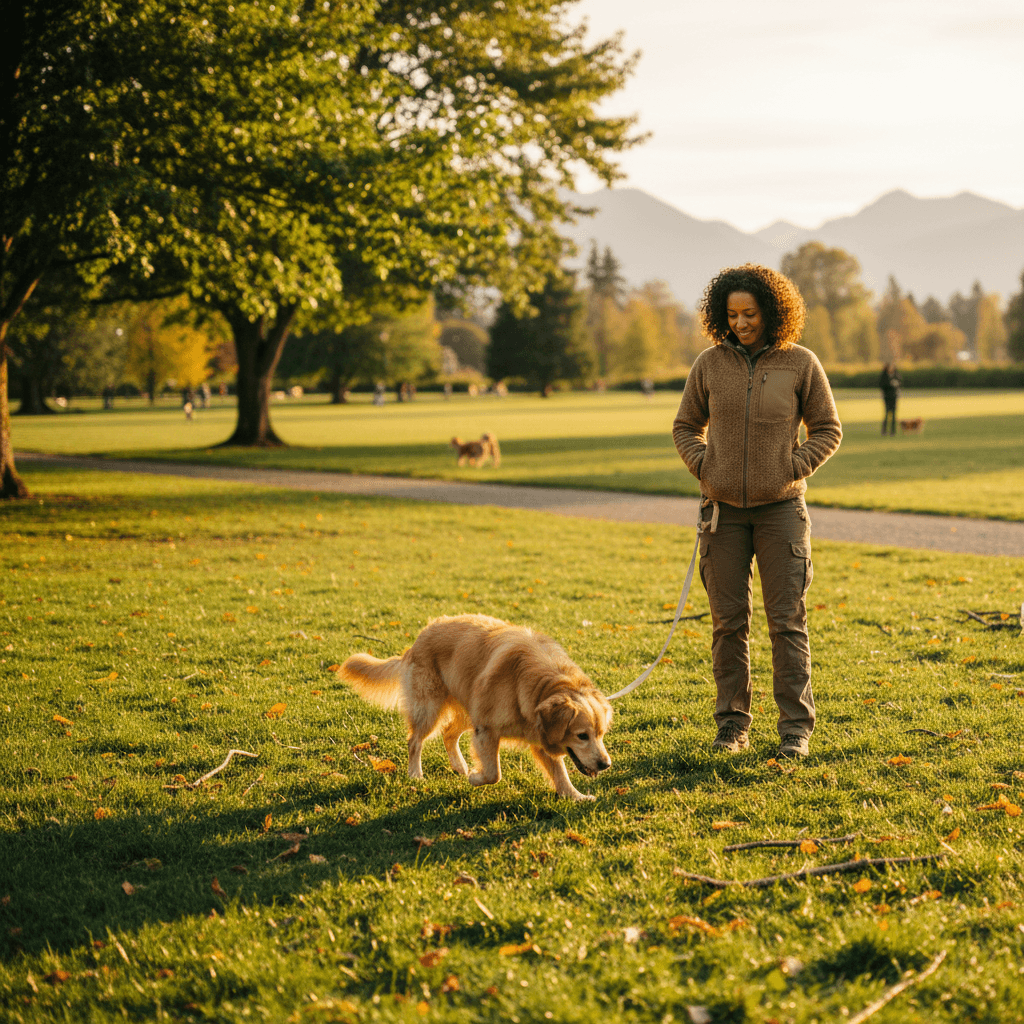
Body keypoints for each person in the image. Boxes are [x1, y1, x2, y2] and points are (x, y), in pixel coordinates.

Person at [672, 264, 842, 759]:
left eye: (750, 313)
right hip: (722, 514)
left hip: (782, 511)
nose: (742, 323)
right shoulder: (709, 364)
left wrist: (794, 465)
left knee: (786, 621)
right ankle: (731, 727)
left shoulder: (800, 363)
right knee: (728, 623)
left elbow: (828, 428)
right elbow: (685, 425)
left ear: (772, 312)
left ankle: (795, 731)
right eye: (732, 314)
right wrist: (706, 466)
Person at [879, 362, 901, 435]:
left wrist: (896, 384)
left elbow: (900, 383)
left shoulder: (896, 375)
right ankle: (884, 431)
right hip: (887, 397)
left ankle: (893, 431)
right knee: (886, 414)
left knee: (894, 415)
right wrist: (890, 384)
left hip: (894, 397)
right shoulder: (884, 376)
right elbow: (882, 385)